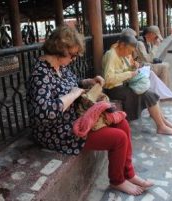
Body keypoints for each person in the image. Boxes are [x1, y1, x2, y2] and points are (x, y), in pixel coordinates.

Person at [27, 25, 153, 196]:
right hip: (58, 131)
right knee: (119, 139)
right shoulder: (40, 74)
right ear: (60, 50)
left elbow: (74, 83)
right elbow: (43, 114)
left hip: (75, 119)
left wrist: (88, 82)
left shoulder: (60, 66)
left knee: (121, 122)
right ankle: (117, 180)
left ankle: (129, 174)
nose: (73, 59)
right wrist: (71, 96)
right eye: (72, 55)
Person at [102, 34, 172, 135]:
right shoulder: (111, 55)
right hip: (114, 89)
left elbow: (123, 70)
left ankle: (162, 121)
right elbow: (108, 79)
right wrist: (130, 73)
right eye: (129, 50)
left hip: (123, 85)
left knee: (150, 91)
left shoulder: (122, 53)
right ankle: (161, 126)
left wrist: (133, 67)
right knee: (148, 95)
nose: (130, 53)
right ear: (122, 45)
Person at [121, 28, 172, 101]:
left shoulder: (148, 43)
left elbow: (150, 58)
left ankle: (164, 92)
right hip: (141, 66)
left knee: (166, 64)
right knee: (164, 67)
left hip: (144, 65)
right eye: (156, 37)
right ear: (150, 34)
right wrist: (156, 46)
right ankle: (163, 95)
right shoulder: (140, 43)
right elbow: (147, 59)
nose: (157, 39)